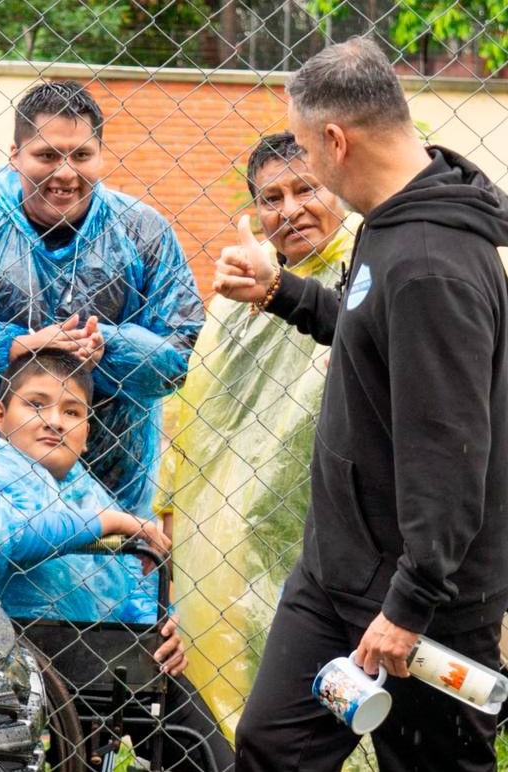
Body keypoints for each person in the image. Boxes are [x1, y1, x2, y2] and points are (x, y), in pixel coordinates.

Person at [213, 38, 508, 772]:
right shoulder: (393, 223)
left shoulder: (428, 266)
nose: (306, 173)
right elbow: (370, 332)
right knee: (273, 744)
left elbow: (452, 453)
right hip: (341, 567)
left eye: (306, 154)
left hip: (421, 595)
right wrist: (281, 291)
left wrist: (409, 608)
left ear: (335, 140)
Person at [0, 80, 204, 520]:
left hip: (108, 480)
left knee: (98, 583)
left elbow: (184, 351)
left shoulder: (142, 231)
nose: (65, 173)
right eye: (47, 155)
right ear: (15, 154)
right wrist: (21, 346)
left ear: (101, 154)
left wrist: (108, 348)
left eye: (81, 155)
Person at [0, 348, 234, 771]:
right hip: (8, 646)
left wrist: (161, 627)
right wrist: (104, 522)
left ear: (87, 432)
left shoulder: (83, 486)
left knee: (201, 737)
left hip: (98, 656)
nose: (55, 421)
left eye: (72, 412)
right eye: (36, 404)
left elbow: (130, 582)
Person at [156, 131, 357, 737]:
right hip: (228, 521)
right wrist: (169, 504)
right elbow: (193, 405)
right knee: (234, 667)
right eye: (271, 197)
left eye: (305, 188)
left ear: (338, 187)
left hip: (328, 522)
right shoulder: (237, 292)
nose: (290, 209)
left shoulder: (364, 271)